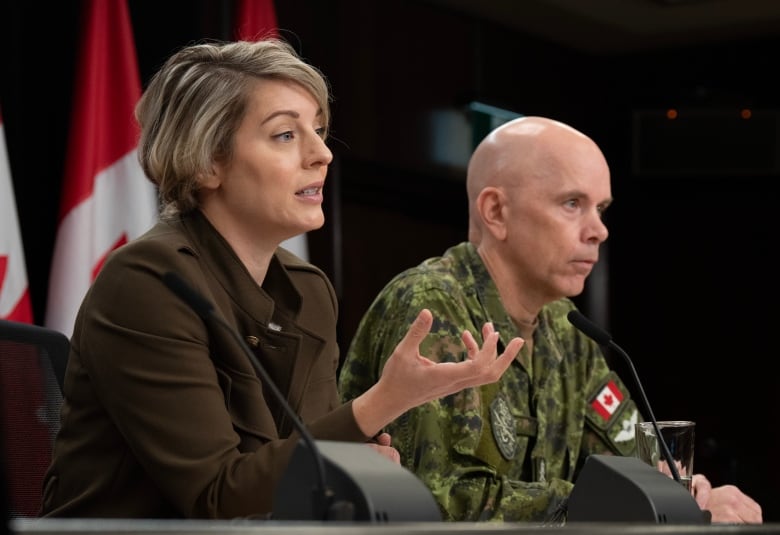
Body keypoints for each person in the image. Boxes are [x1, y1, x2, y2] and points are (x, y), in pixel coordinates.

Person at [39, 38, 523, 519]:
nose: (322, 154)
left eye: (318, 130)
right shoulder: (148, 281)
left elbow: (298, 466)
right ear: (209, 161)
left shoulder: (306, 288)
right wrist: (384, 401)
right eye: (286, 135)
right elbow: (217, 495)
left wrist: (356, 462)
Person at [338, 116, 763, 524]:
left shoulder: (567, 325)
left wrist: (690, 495)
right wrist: (606, 504)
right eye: (573, 204)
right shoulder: (433, 308)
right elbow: (436, 500)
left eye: (601, 208)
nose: (599, 230)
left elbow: (638, 461)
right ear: (496, 212)